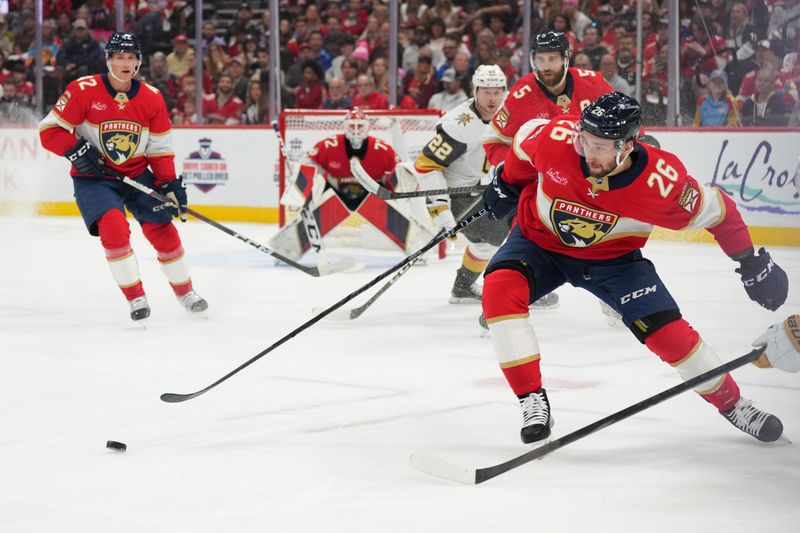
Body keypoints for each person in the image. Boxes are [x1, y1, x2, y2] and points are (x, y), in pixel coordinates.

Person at [480, 92, 789, 445]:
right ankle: (532, 399)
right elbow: (522, 142)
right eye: (585, 141)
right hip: (540, 242)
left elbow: (720, 211)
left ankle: (734, 405)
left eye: (600, 147)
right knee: (499, 290)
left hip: (613, 263)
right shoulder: (557, 138)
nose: (587, 153)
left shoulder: (663, 182)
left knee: (670, 336)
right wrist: (506, 180)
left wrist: (750, 262)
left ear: (627, 147)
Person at [38, 32, 207, 321]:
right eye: (118, 57)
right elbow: (49, 131)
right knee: (114, 229)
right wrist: (77, 151)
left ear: (139, 62)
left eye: (130, 57)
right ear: (108, 59)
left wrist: (168, 184)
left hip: (137, 174)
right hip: (95, 179)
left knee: (163, 230)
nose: (125, 63)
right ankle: (136, 297)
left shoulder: (152, 98)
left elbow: (160, 149)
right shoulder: (83, 90)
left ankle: (185, 292)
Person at [483, 31, 614, 310]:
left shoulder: (594, 83)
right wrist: (514, 170)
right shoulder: (522, 93)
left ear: (567, 58)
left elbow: (623, 125)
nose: (546, 66)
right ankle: (508, 298)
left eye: (552, 58)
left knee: (607, 230)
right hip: (545, 180)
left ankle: (614, 297)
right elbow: (494, 140)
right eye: (540, 59)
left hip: (593, 176)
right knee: (527, 229)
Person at [270, 108, 430, 260]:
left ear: (367, 128)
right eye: (351, 126)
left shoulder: (382, 150)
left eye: (359, 126)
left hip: (370, 195)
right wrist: (301, 191)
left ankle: (418, 245)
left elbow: (398, 171)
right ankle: (287, 247)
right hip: (335, 193)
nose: (355, 130)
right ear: (344, 128)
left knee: (404, 170)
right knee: (309, 169)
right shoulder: (329, 145)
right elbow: (309, 161)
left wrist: (398, 191)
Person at [409, 64, 508, 303]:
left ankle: (464, 287)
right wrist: (441, 210)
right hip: (455, 195)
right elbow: (426, 165)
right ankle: (516, 288)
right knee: (495, 234)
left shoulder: (508, 115)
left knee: (505, 233)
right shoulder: (460, 125)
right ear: (475, 91)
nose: (492, 98)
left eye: (497, 91)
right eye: (486, 91)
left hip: (480, 189)